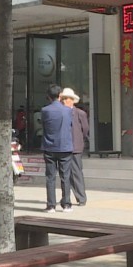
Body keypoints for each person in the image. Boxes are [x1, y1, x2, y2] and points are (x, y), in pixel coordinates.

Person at [40, 83, 74, 213]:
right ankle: (66, 204)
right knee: (65, 176)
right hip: (65, 146)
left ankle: (51, 205)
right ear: (60, 95)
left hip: (49, 147)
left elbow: (44, 126)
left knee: (50, 177)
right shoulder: (68, 110)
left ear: (48, 96)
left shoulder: (45, 110)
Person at [60, 88, 88, 206]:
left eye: (67, 99)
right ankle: (67, 198)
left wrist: (80, 139)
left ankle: (81, 198)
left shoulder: (80, 113)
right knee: (65, 174)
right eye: (63, 99)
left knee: (76, 172)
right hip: (63, 147)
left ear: (72, 100)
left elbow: (85, 129)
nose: (64, 101)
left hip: (75, 147)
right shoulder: (61, 112)